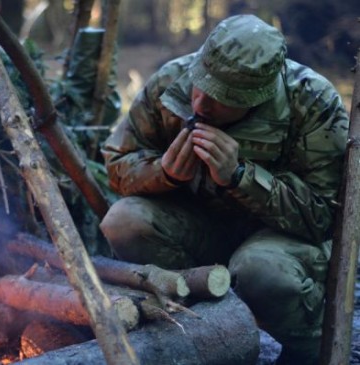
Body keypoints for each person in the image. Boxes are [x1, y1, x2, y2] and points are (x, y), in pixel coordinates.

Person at [99, 14, 350, 365]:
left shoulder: (312, 102)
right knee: (124, 221)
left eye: (222, 98)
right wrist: (163, 172)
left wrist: (241, 176)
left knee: (260, 270)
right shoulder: (172, 81)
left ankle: (306, 349)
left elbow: (324, 218)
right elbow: (114, 163)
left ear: (259, 97)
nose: (200, 104)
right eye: (201, 85)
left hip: (279, 241)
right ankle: (200, 330)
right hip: (200, 229)